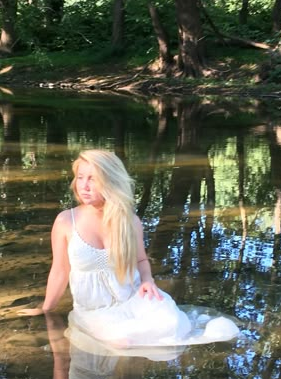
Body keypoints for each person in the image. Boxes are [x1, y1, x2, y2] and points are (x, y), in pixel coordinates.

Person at [18, 149, 238, 351]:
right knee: (122, 342)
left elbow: (141, 261)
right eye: (80, 177)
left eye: (93, 179)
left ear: (110, 181)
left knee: (171, 324)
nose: (83, 186)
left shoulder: (129, 221)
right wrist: (46, 309)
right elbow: (59, 271)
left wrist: (147, 281)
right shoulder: (66, 221)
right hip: (95, 310)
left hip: (133, 298)